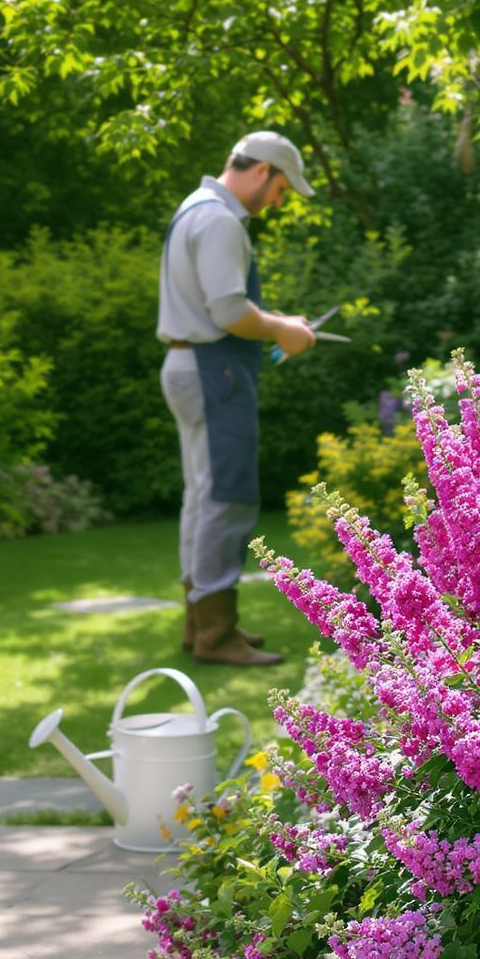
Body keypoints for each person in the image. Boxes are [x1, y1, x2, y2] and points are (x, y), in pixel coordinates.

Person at [157, 130, 316, 666]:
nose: (278, 201)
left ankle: (200, 622)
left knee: (202, 497)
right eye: (281, 189)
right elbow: (228, 312)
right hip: (213, 369)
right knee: (227, 497)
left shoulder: (195, 208)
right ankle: (215, 634)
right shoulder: (221, 219)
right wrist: (283, 331)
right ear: (260, 171)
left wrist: (277, 324)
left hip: (193, 363)